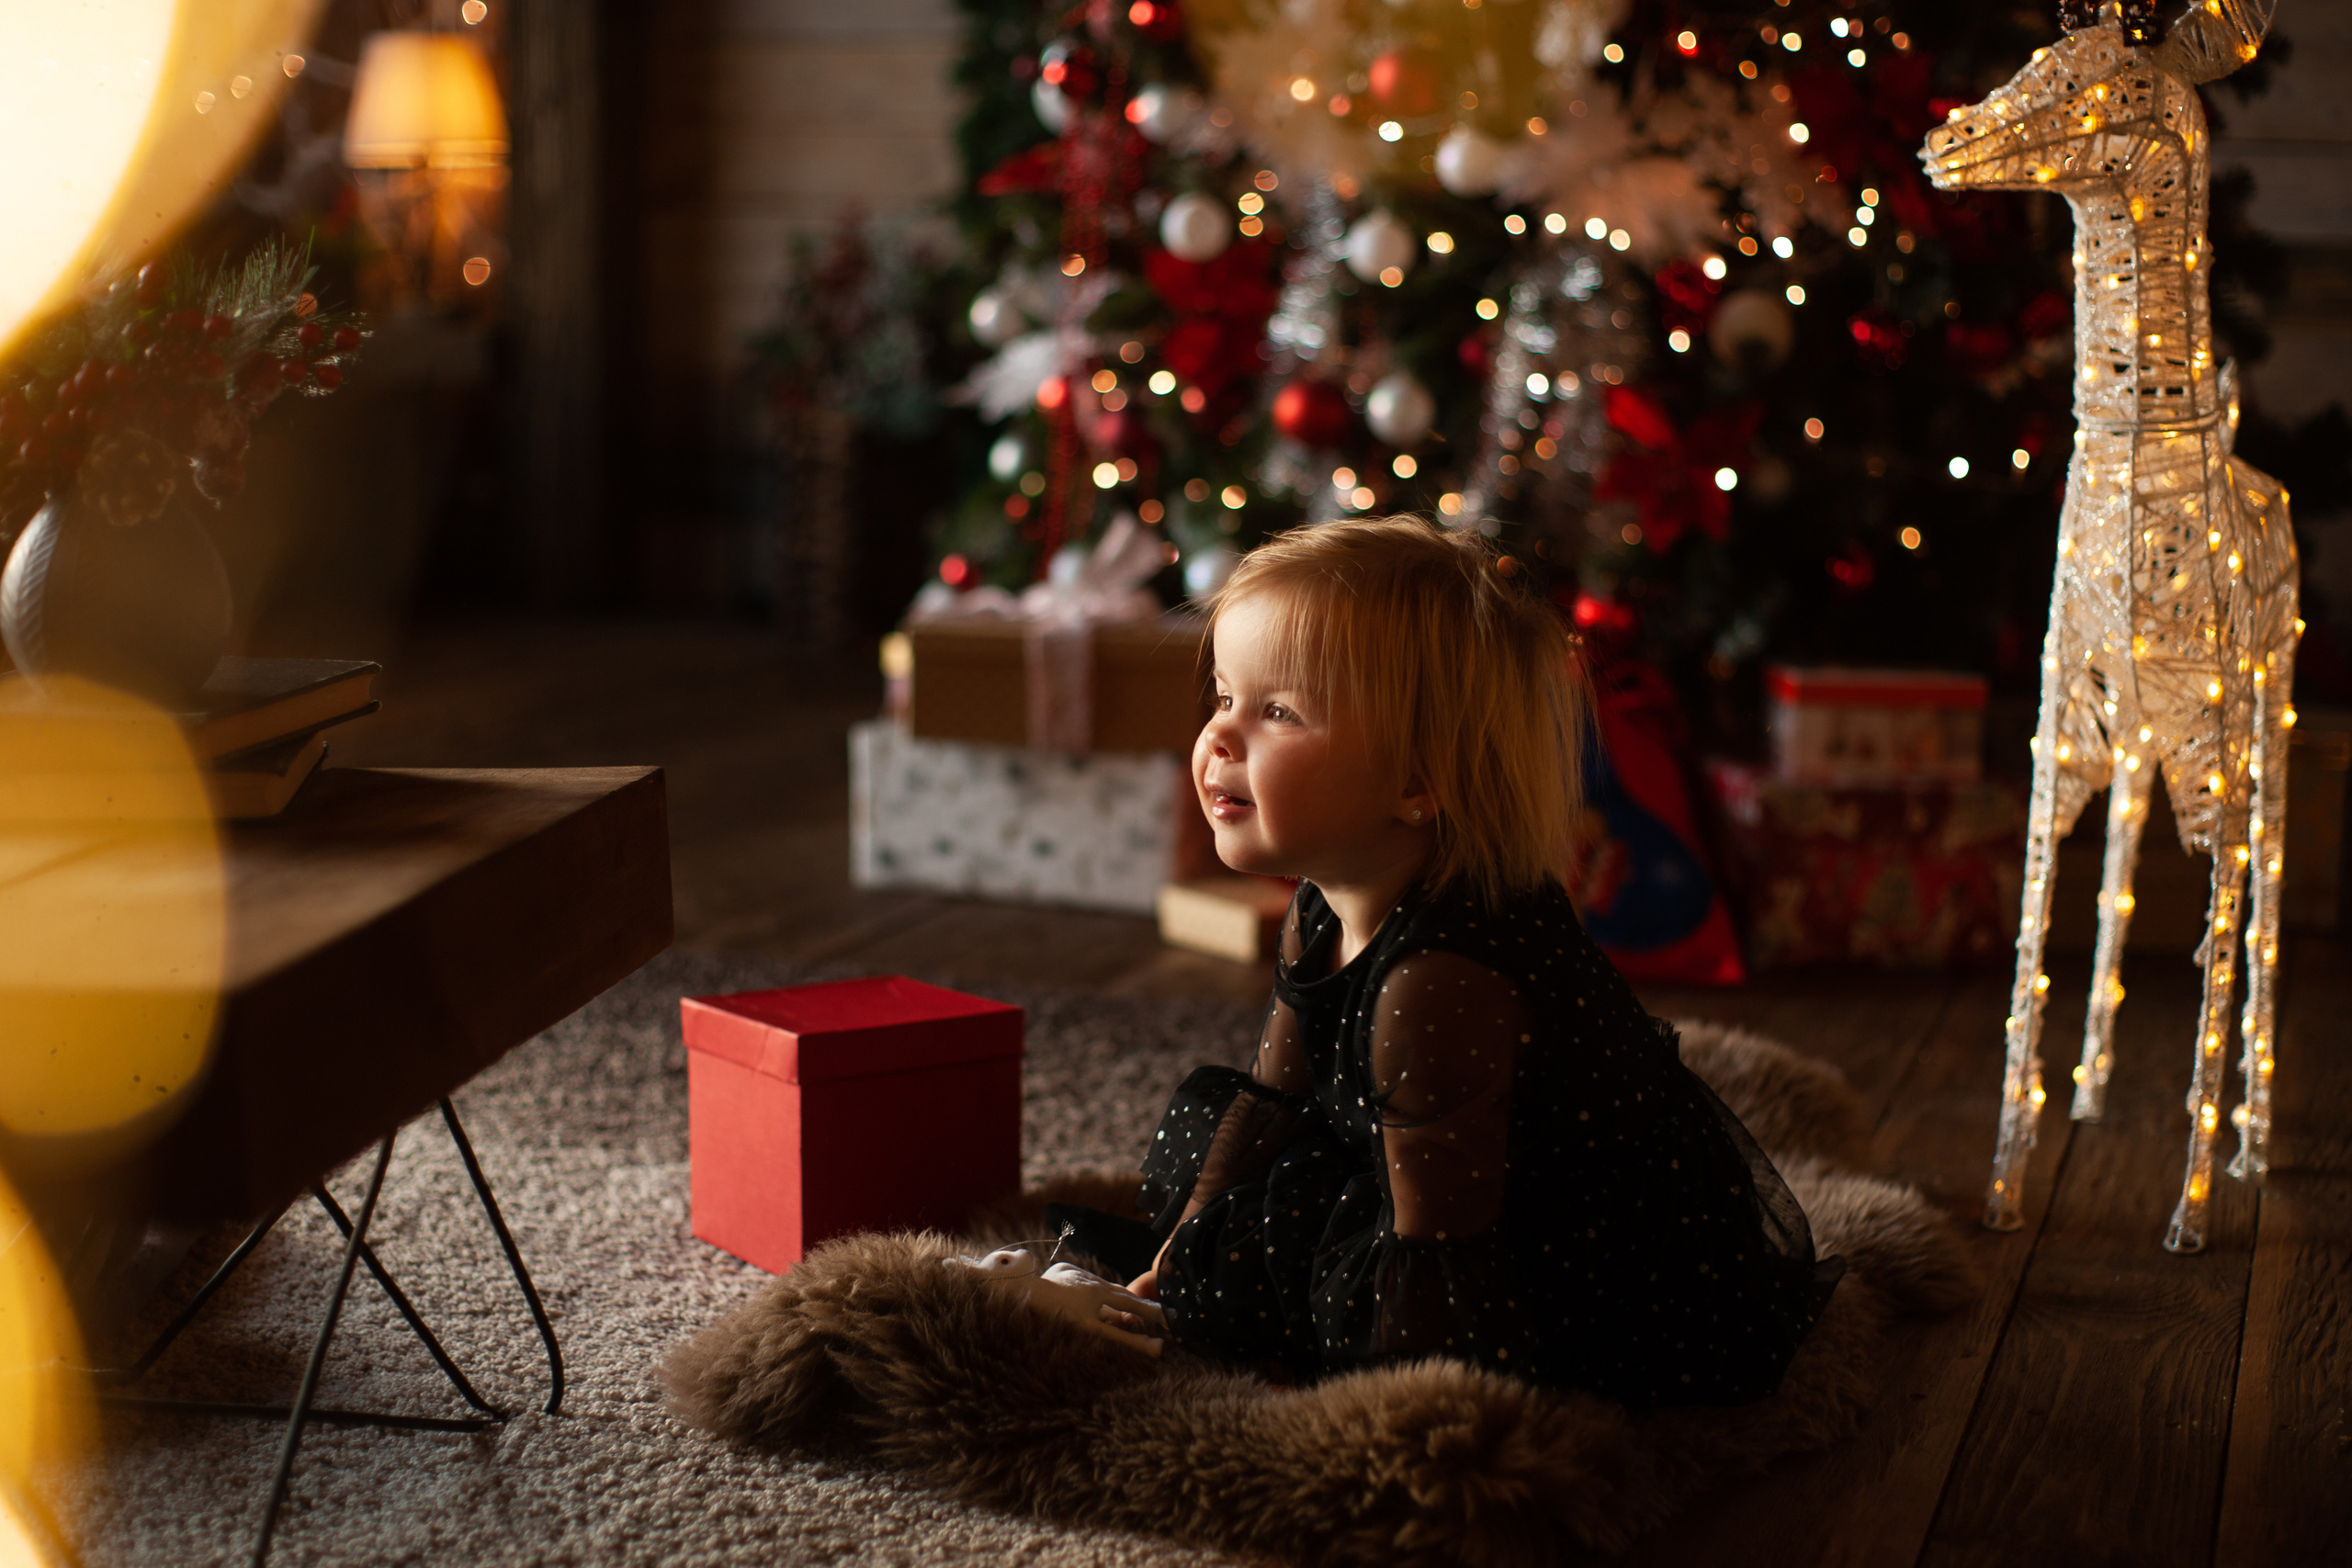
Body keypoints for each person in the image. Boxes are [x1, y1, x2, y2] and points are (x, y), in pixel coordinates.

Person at [1093, 516, 1839, 1405]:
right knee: (1235, 1181)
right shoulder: (1318, 908)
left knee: (1315, 1265)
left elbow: (1437, 1268)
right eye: (1223, 698)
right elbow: (1277, 1100)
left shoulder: (1438, 981)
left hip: (1546, 1242)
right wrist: (1182, 1247)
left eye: (1277, 711)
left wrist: (1391, 1407)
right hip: (1411, 1169)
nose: (1219, 737)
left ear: (1417, 781)